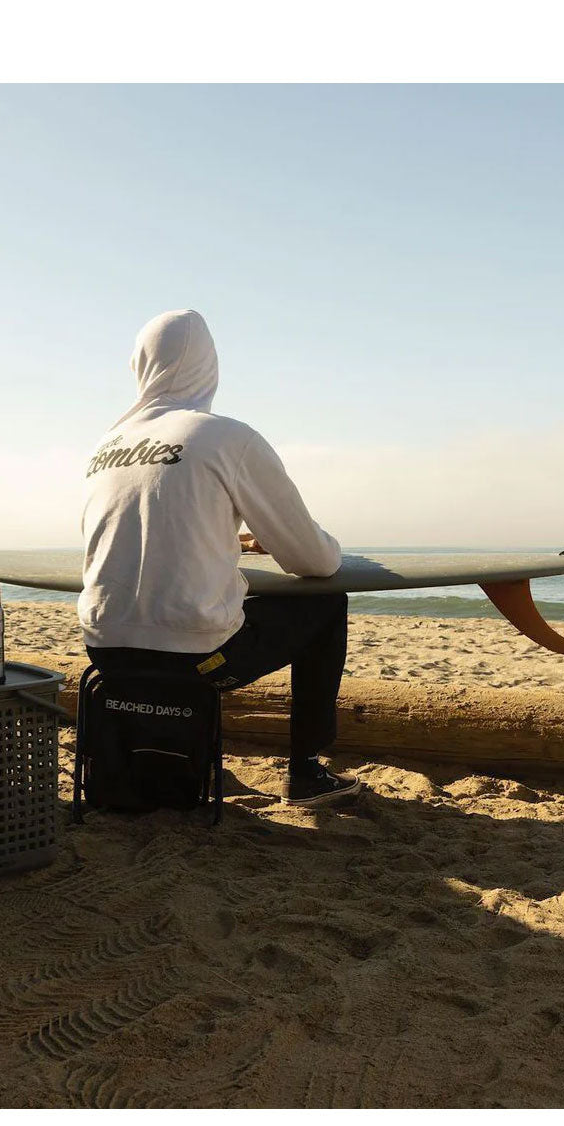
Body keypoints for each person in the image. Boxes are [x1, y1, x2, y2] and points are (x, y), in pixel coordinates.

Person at [79, 308, 359, 808]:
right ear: (210, 366)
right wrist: (300, 543)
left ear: (140, 365)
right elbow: (315, 561)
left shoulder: (105, 445)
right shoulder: (228, 437)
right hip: (195, 663)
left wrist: (229, 540)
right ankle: (306, 771)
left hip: (105, 654)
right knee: (326, 602)